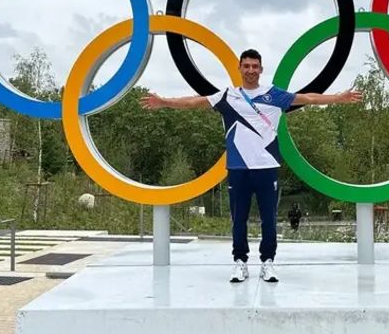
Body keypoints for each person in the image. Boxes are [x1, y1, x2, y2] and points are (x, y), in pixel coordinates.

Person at [139, 49, 363, 283]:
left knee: (269, 219)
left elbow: (309, 98)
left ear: (261, 69)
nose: (250, 70)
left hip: (267, 167)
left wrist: (338, 98)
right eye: (246, 66)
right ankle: (240, 262)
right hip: (238, 168)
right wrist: (164, 102)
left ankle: (268, 263)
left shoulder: (274, 95)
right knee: (239, 219)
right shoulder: (228, 96)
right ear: (240, 68)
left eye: (255, 66)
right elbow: (195, 102)